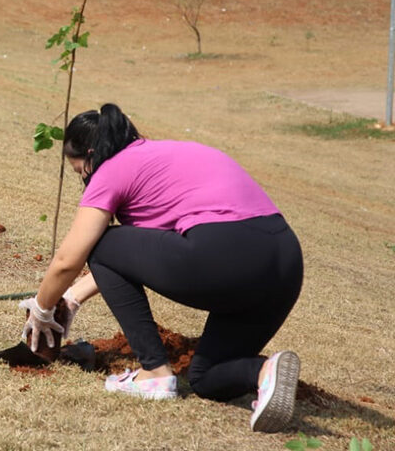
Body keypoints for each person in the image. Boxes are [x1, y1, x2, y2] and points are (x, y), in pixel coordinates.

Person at [19, 103, 303, 433]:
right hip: (285, 264)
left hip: (226, 254)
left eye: (79, 171)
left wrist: (41, 308)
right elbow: (136, 257)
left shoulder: (111, 169)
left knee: (103, 241)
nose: (84, 180)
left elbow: (70, 258)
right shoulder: (163, 156)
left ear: (93, 155)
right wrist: (74, 297)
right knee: (206, 377)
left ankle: (154, 372)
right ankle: (265, 372)